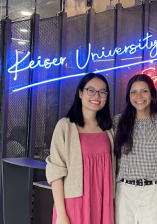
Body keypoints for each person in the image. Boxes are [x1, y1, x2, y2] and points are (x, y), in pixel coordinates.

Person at [46, 73, 115, 224]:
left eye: (102, 92)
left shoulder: (109, 129)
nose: (96, 96)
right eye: (91, 90)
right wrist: (61, 214)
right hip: (74, 204)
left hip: (103, 203)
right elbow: (55, 172)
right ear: (80, 93)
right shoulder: (65, 126)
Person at [113, 74, 157, 224]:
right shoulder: (118, 122)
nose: (138, 96)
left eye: (144, 91)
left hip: (154, 192)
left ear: (152, 94)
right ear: (128, 97)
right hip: (125, 192)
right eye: (133, 92)